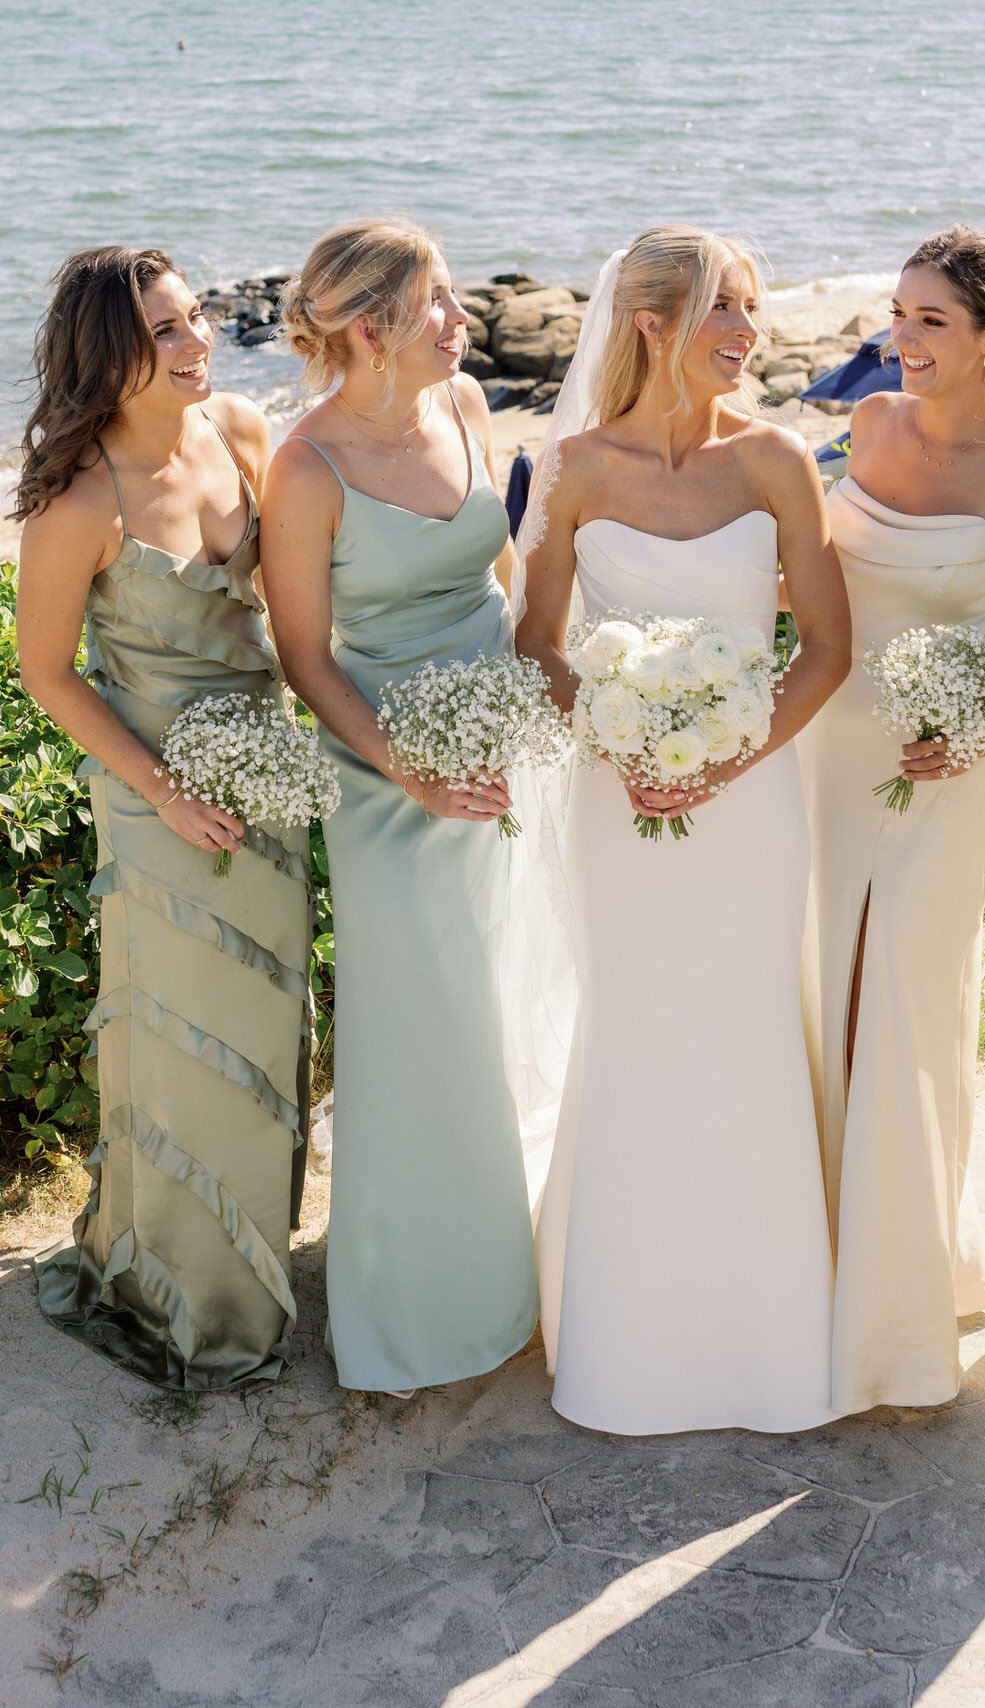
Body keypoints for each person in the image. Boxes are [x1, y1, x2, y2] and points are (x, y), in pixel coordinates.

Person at [516, 226, 851, 1436]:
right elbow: (537, 644)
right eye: (724, 307)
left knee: (744, 1030)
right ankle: (629, 1342)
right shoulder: (572, 467)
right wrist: (622, 745)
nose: (747, 332)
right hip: (620, 805)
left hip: (751, 806)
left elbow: (826, 648)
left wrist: (723, 757)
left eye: (751, 309)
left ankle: (766, 1344)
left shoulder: (776, 459)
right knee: (641, 1028)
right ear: (651, 320)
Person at [262, 219, 554, 1396]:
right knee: (414, 1026)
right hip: (383, 778)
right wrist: (408, 766)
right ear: (371, 327)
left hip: (499, 752)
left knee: (499, 1008)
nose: (460, 318)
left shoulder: (468, 406)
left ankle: (510, 1265)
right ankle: (417, 1306)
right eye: (437, 299)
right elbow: (304, 658)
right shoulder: (304, 469)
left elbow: (503, 577)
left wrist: (531, 698)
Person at [16, 247, 309, 1388]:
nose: (200, 343)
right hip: (156, 798)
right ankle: (196, 1302)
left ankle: (257, 1264)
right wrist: (167, 791)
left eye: (198, 318)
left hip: (266, 775)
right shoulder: (79, 500)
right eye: (167, 331)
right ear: (108, 355)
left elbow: (295, 602)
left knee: (267, 1028)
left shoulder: (240, 430)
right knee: (186, 1044)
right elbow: (49, 673)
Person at [797, 228, 985, 1417]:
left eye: (929, 321)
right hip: (827, 752)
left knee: (905, 1003)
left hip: (940, 771)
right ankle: (816, 1262)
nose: (899, 339)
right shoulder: (868, 425)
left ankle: (902, 1302)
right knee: (824, 990)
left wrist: (980, 730)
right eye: (896, 312)